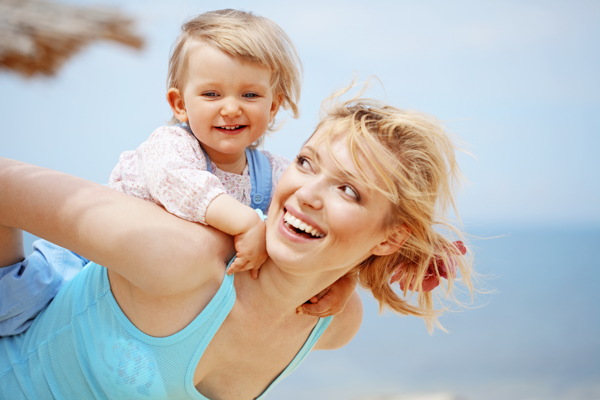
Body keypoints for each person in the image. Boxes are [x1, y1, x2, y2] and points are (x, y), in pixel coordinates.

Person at [0, 92, 475, 399]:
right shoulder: (179, 256)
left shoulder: (333, 323)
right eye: (307, 163)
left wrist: (344, 274)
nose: (307, 193)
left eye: (348, 190)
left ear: (392, 238)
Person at [0, 9, 349, 337]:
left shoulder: (272, 173)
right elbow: (181, 184)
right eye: (211, 93)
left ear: (272, 106)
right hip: (79, 269)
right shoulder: (170, 147)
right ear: (179, 103)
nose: (231, 107)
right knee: (13, 309)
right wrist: (247, 223)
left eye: (250, 94)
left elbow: (313, 223)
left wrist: (343, 281)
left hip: (148, 303)